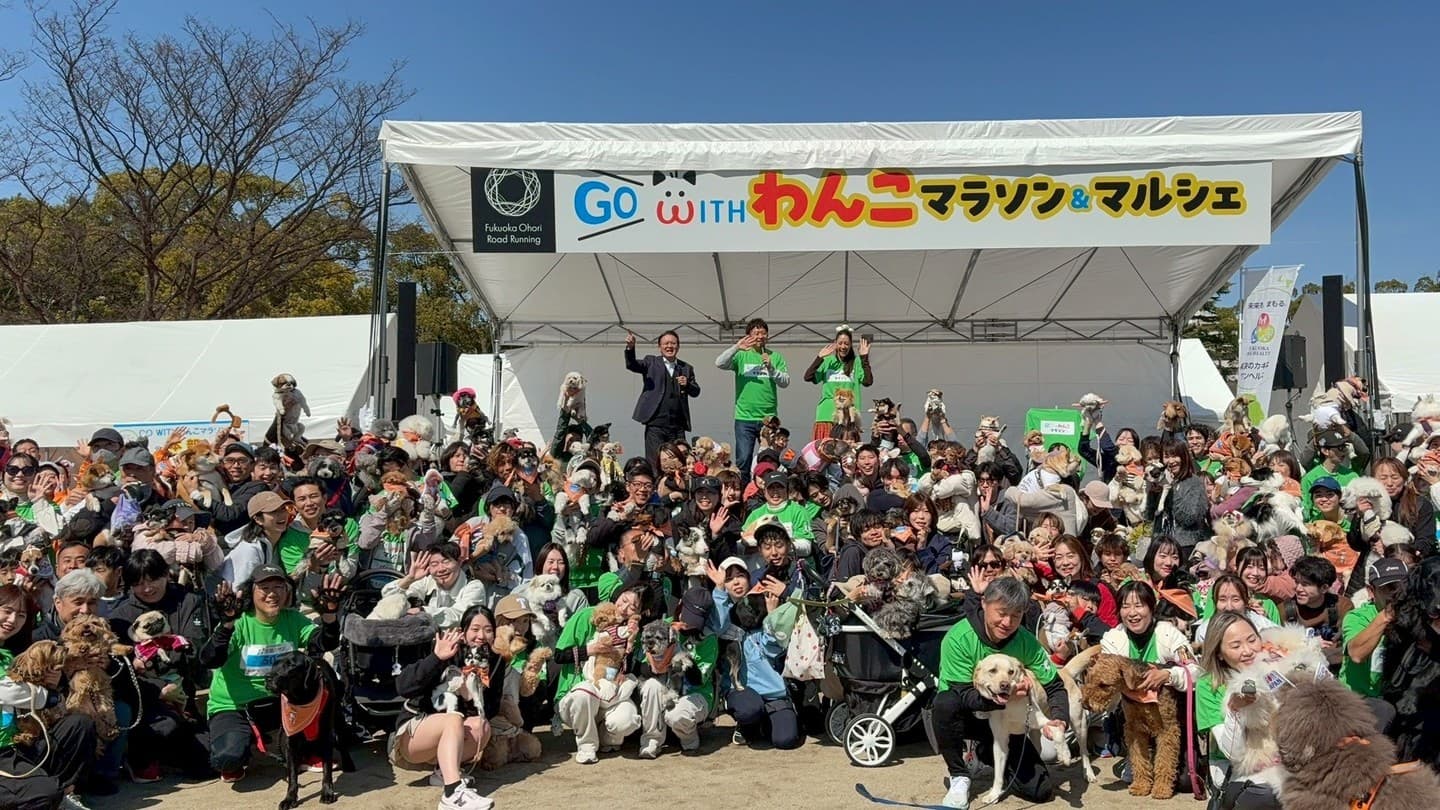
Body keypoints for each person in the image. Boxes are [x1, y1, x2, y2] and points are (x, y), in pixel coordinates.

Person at [932, 576, 1067, 808]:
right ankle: (959, 775)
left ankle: (988, 753)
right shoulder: (958, 638)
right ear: (984, 603)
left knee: (1041, 790)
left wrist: (1059, 719)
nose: (1007, 622)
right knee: (944, 703)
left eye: (1016, 615)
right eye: (1002, 613)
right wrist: (1007, 696)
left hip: (1007, 721)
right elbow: (962, 694)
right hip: (967, 717)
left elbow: (1055, 685)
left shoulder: (1027, 641)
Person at [201, 564, 342, 782]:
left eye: (278, 587)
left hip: (280, 703)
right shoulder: (239, 622)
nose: (272, 594)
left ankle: (300, 750)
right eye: (264, 588)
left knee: (325, 737)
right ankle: (241, 744)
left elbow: (324, 643)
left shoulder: (292, 619)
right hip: (235, 706)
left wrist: (329, 616)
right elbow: (210, 659)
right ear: (251, 591)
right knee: (228, 759)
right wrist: (226, 625)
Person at [0, 584, 101, 810]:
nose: (13, 620)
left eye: (21, 615)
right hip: (2, 749)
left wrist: (52, 685)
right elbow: (7, 691)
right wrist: (48, 695)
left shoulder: (12, 651)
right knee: (43, 794)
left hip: (20, 741)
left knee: (79, 724)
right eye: (7, 611)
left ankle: (66, 792)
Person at [390, 608, 498, 810]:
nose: (481, 636)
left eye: (488, 630)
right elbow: (403, 687)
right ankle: (452, 794)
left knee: (481, 726)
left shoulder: (493, 660)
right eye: (475, 629)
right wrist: (436, 657)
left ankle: (444, 773)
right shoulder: (446, 649)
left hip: (447, 734)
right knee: (453, 718)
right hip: (414, 734)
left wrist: (470, 697)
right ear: (463, 632)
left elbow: (491, 708)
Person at [552, 580, 649, 764]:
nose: (624, 608)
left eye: (633, 607)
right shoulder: (588, 615)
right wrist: (591, 649)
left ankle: (607, 739)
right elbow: (559, 655)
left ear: (640, 613)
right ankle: (587, 745)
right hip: (577, 696)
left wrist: (630, 643)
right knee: (584, 693)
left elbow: (628, 667)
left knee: (627, 719)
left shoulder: (632, 631)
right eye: (624, 600)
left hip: (610, 695)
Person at [710, 559, 801, 750]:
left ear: (748, 578)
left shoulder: (764, 602)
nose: (736, 582)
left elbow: (773, 650)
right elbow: (718, 627)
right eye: (729, 579)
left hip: (773, 691)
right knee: (749, 710)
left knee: (786, 740)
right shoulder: (720, 610)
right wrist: (719, 590)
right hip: (740, 689)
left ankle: (766, 721)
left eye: (740, 576)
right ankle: (748, 725)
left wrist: (772, 615)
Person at [1196, 612, 1281, 810]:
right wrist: (1235, 710)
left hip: (1286, 759)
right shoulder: (1209, 685)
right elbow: (1234, 754)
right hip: (1239, 771)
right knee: (1267, 794)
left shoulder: (1277, 669)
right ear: (1219, 653)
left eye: (1252, 640)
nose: (1248, 651)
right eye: (1236, 646)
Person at [636, 586, 718, 757]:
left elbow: (698, 680)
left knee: (676, 715)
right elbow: (643, 668)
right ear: (680, 605)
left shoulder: (709, 638)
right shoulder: (662, 626)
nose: (689, 624)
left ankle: (688, 737)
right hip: (665, 685)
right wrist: (663, 654)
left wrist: (682, 655)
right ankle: (651, 740)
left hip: (695, 693)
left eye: (696, 620)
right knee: (651, 686)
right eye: (688, 616)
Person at [714, 318, 789, 483]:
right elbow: (719, 363)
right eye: (756, 333)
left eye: (763, 333)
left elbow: (785, 382)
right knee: (743, 459)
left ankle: (769, 488)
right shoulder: (741, 355)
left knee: (770, 459)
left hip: (768, 419)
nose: (760, 336)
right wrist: (736, 347)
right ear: (749, 335)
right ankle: (743, 491)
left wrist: (771, 368)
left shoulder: (775, 357)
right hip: (744, 417)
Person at [1100, 582, 1198, 692]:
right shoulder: (1112, 640)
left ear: (1152, 608)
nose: (1132, 613)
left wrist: (1168, 675)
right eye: (1125, 607)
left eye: (1138, 606)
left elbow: (1195, 671)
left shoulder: (1169, 634)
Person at [625, 330, 701, 468]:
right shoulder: (651, 362)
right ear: (659, 347)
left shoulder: (686, 368)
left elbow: (696, 391)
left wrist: (688, 384)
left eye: (673, 343)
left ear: (678, 346)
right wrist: (630, 348)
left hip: (677, 425)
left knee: (679, 460)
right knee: (655, 461)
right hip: (656, 423)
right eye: (666, 343)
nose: (669, 346)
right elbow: (632, 365)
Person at [380, 543, 487, 628]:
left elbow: (461, 615)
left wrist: (424, 611)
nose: (441, 569)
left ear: (459, 562)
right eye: (434, 564)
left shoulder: (474, 587)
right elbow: (388, 598)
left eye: (446, 562)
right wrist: (409, 579)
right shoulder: (427, 581)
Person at [1341, 557, 1405, 699]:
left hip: (1399, 697)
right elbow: (1356, 655)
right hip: (1358, 698)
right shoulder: (1357, 617)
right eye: (1388, 589)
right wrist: (1386, 616)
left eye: (1400, 587)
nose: (1395, 594)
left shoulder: (1414, 616)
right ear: (1371, 591)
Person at [1279, 556, 1352, 669]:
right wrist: (1311, 646)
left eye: (1305, 584)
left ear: (1324, 588)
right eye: (1297, 582)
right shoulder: (1285, 610)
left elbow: (1349, 646)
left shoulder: (1342, 607)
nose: (1298, 589)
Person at [801, 326, 873, 441]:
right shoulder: (828, 361)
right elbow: (808, 377)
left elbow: (868, 382)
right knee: (826, 450)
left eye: (846, 344)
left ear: (850, 345)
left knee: (847, 450)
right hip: (826, 414)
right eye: (840, 343)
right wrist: (819, 357)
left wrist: (864, 358)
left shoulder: (856, 362)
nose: (843, 347)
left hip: (848, 416)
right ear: (835, 344)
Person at [1146, 438, 1209, 556]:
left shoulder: (1194, 483)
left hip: (1185, 547)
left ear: (1184, 457)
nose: (1170, 461)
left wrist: (1171, 490)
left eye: (1175, 456)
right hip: (1160, 546)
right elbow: (1149, 516)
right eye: (1166, 457)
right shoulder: (1160, 483)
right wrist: (1152, 492)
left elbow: (1189, 518)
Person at [1192, 574, 1277, 648]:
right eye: (1222, 600)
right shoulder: (1204, 631)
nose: (1229, 607)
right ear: (1215, 602)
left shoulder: (1265, 628)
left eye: (1236, 599)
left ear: (1246, 601)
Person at [1299, 428, 1359, 521]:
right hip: (1321, 526)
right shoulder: (1309, 478)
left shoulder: (1353, 476)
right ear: (1325, 451)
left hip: (1348, 527)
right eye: (1340, 448)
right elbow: (1306, 510)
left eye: (1344, 446)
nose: (1344, 451)